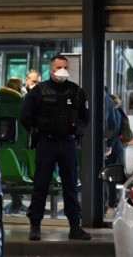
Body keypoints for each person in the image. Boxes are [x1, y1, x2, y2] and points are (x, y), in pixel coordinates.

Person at [20, 55, 91, 241]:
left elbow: (85, 116)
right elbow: (25, 116)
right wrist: (37, 132)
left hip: (68, 143)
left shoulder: (76, 91)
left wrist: (77, 131)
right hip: (47, 143)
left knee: (70, 186)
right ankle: (35, 226)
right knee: (41, 184)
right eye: (59, 66)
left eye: (65, 66)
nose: (62, 70)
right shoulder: (38, 91)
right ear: (51, 69)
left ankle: (75, 226)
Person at [0, 77, 30, 214]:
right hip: (18, 143)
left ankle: (14, 201)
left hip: (2, 144)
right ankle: (17, 202)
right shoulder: (19, 103)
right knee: (18, 173)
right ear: (17, 88)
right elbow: (25, 126)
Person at [104, 94, 125, 219]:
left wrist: (108, 145)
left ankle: (110, 204)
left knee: (109, 178)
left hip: (112, 148)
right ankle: (111, 204)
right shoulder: (119, 111)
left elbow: (114, 129)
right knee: (111, 178)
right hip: (118, 148)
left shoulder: (114, 112)